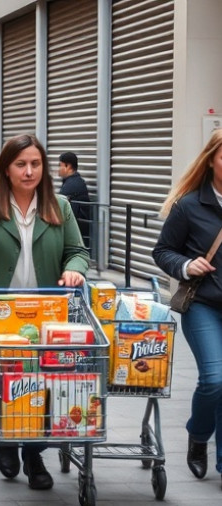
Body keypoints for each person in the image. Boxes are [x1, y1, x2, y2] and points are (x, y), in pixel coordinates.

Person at [0, 134, 89, 490]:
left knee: (45, 384)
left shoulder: (60, 206)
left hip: (49, 316)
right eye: (21, 164)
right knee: (8, 381)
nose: (29, 171)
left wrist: (75, 268)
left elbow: (78, 251)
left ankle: (34, 452)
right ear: (6, 169)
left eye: (36, 164)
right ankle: (8, 441)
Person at [153, 129, 222, 486]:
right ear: (211, 159)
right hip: (203, 305)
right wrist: (186, 266)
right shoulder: (190, 205)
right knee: (215, 379)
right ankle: (198, 434)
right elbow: (162, 250)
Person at [57, 152, 92, 249]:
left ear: (68, 166)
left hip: (77, 237)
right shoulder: (73, 182)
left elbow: (61, 210)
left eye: (60, 165)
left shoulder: (72, 185)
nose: (58, 169)